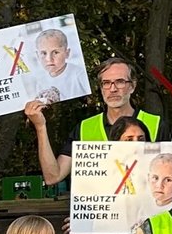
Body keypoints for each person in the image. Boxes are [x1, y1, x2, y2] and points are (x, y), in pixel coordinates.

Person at [25, 56, 162, 189]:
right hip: (100, 211)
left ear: (132, 86)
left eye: (120, 81)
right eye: (106, 83)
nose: (113, 89)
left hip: (143, 209)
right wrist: (40, 127)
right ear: (101, 88)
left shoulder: (155, 124)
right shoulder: (84, 128)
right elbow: (53, 177)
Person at [28, 28, 90, 103]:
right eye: (43, 53)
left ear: (67, 53)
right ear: (37, 56)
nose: (49, 59)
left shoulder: (79, 74)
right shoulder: (40, 81)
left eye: (55, 52)